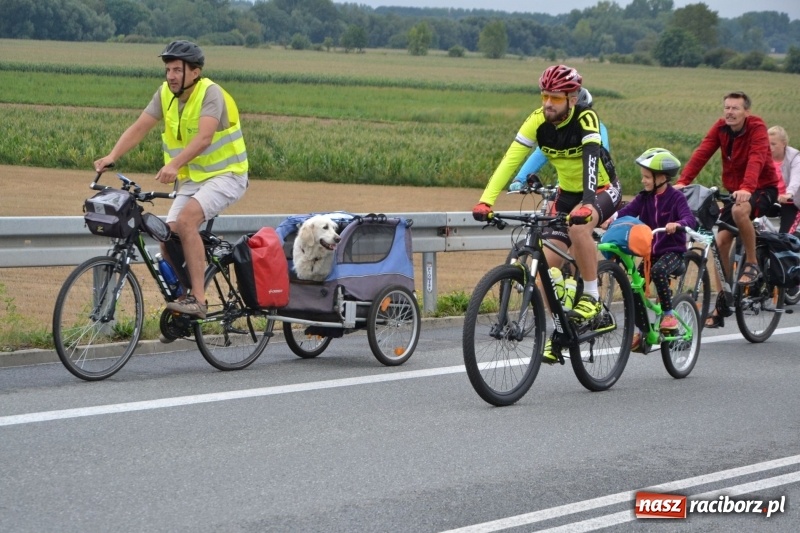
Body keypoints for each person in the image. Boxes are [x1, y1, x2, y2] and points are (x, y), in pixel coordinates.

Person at [472, 64, 622, 364]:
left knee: (580, 230)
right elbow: (510, 161)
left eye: (555, 97)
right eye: (544, 96)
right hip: (566, 195)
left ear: (572, 97)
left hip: (602, 188)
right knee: (545, 270)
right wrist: (485, 201)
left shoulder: (586, 118)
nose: (547, 103)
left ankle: (591, 297)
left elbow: (591, 161)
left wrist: (589, 203)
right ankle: (560, 332)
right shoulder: (537, 121)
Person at [94, 40, 249, 323]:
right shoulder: (166, 94)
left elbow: (204, 138)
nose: (171, 76)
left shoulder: (210, 94)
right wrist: (111, 156)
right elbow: (140, 126)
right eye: (168, 70)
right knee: (167, 235)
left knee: (187, 221)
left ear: (195, 72)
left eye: (177, 70)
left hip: (227, 175)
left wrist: (174, 165)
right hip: (193, 178)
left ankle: (199, 300)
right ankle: (182, 305)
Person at [674, 91, 781, 328]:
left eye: (735, 108)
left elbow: (756, 159)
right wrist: (683, 181)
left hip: (762, 188)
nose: (730, 112)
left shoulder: (757, 128)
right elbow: (703, 152)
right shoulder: (721, 128)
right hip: (737, 191)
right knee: (720, 240)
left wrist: (747, 187)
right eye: (727, 108)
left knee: (739, 212)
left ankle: (752, 262)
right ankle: (725, 299)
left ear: (746, 112)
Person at [603, 148, 696, 350]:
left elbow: (690, 219)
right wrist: (610, 219)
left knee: (659, 271)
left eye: (647, 177)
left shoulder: (676, 198)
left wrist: (677, 224)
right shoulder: (644, 197)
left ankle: (669, 316)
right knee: (635, 288)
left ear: (661, 177)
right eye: (643, 176)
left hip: (673, 253)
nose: (643, 181)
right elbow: (626, 212)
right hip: (650, 255)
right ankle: (644, 332)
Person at [508, 88, 610, 192]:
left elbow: (598, 156)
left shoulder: (597, 127)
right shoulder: (557, 129)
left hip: (593, 186)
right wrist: (519, 179)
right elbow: (540, 154)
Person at [768, 126, 800, 234]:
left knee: (785, 237)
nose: (769, 147)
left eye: (773, 144)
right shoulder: (763, 157)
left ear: (784, 143)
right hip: (772, 198)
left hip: (791, 201)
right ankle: (741, 250)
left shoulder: (795, 158)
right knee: (746, 224)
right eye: (767, 143)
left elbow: (796, 179)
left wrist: (789, 194)